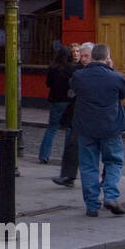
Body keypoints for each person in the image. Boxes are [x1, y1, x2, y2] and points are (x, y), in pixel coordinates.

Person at [70, 42, 125, 216]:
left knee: (88, 166)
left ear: (92, 56)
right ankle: (111, 195)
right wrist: (111, 70)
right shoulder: (115, 77)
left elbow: (74, 88)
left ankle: (91, 205)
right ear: (107, 58)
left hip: (86, 127)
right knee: (113, 162)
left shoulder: (79, 76)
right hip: (111, 126)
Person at [52, 42, 92, 187]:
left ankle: (106, 178)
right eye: (81, 56)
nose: (83, 58)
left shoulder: (99, 70)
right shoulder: (77, 69)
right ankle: (68, 176)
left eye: (86, 56)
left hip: (95, 116)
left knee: (99, 149)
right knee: (72, 144)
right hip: (78, 114)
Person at [39, 45, 75, 163]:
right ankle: (68, 156)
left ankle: (44, 155)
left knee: (52, 128)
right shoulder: (72, 68)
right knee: (69, 129)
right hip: (69, 101)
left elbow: (48, 84)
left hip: (55, 100)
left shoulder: (52, 68)